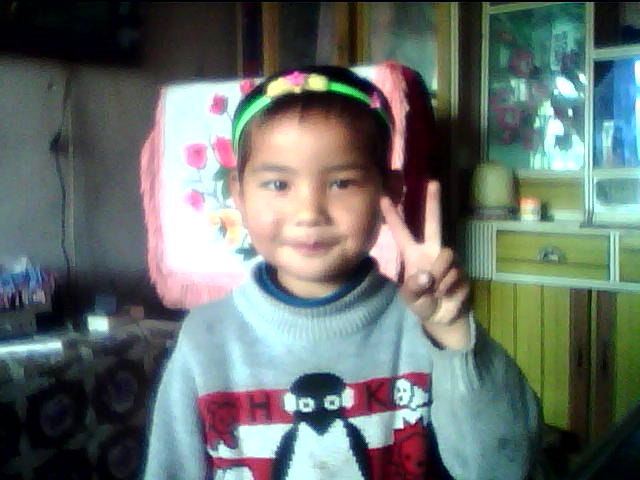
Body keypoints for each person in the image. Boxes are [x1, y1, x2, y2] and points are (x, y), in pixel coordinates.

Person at [143, 65, 541, 480]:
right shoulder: (205, 338)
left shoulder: (424, 327)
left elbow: (504, 467)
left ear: (390, 192)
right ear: (238, 193)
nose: (309, 213)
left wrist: (454, 334)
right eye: (278, 184)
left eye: (342, 183)